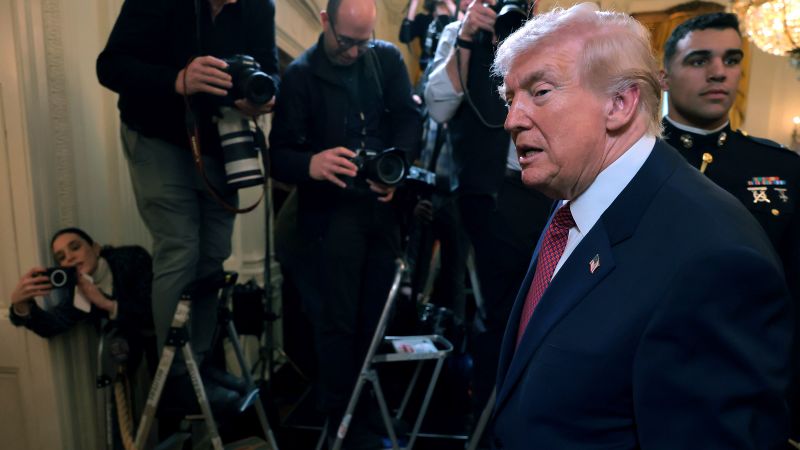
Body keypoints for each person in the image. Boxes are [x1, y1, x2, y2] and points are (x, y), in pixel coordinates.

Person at [489, 3, 792, 448]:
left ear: (620, 104)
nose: (512, 119)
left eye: (541, 92)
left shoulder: (714, 257)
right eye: (510, 98)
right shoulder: (574, 194)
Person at [96, 0, 279, 417]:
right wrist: (176, 79)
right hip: (156, 133)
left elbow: (271, 72)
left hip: (220, 141)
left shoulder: (259, 7)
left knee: (213, 253)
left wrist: (262, 99)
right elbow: (110, 67)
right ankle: (176, 379)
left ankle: (200, 363)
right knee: (180, 246)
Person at [268, 0, 421, 447]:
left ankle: (369, 411)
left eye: (363, 42)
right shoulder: (299, 76)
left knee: (376, 320)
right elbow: (278, 156)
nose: (354, 52)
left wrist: (397, 169)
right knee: (337, 323)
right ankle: (341, 419)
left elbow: (408, 120)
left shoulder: (386, 59)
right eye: (346, 41)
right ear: (325, 21)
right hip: (327, 217)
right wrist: (311, 163)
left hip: (381, 211)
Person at [660, 14, 800, 437]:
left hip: (747, 389)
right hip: (647, 383)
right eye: (699, 60)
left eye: (732, 59)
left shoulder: (781, 168)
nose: (719, 72)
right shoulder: (632, 161)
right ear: (664, 76)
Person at [424, 0, 551, 420]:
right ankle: (490, 416)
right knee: (502, 309)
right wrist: (465, 37)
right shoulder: (459, 33)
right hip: (490, 191)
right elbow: (438, 107)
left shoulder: (545, 36)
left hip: (546, 191)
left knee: (543, 303)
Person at [10, 227, 155, 448]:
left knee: (171, 407)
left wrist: (106, 304)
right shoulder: (78, 288)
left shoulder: (132, 258)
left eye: (75, 247)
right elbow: (53, 324)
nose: (69, 257)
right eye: (61, 257)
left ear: (95, 248)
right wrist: (21, 305)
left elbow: (153, 310)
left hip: (162, 344)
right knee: (121, 421)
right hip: (121, 356)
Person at [399, 0, 457, 71]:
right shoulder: (423, 19)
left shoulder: (457, 19)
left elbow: (464, 28)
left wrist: (449, 3)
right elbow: (405, 37)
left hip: (453, 71)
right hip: (429, 70)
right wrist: (414, 2)